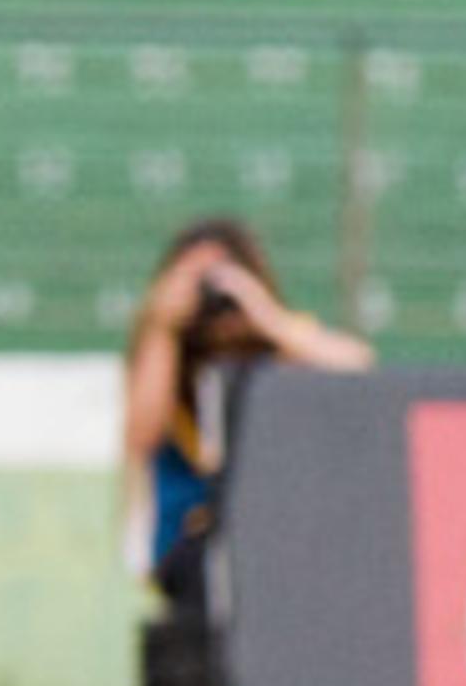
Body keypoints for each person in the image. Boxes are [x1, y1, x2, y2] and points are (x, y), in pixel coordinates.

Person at [115, 217, 370, 587]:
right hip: (187, 551)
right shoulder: (164, 357)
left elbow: (359, 369)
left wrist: (264, 317)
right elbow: (140, 437)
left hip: (277, 543)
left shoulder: (283, 344)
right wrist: (163, 327)